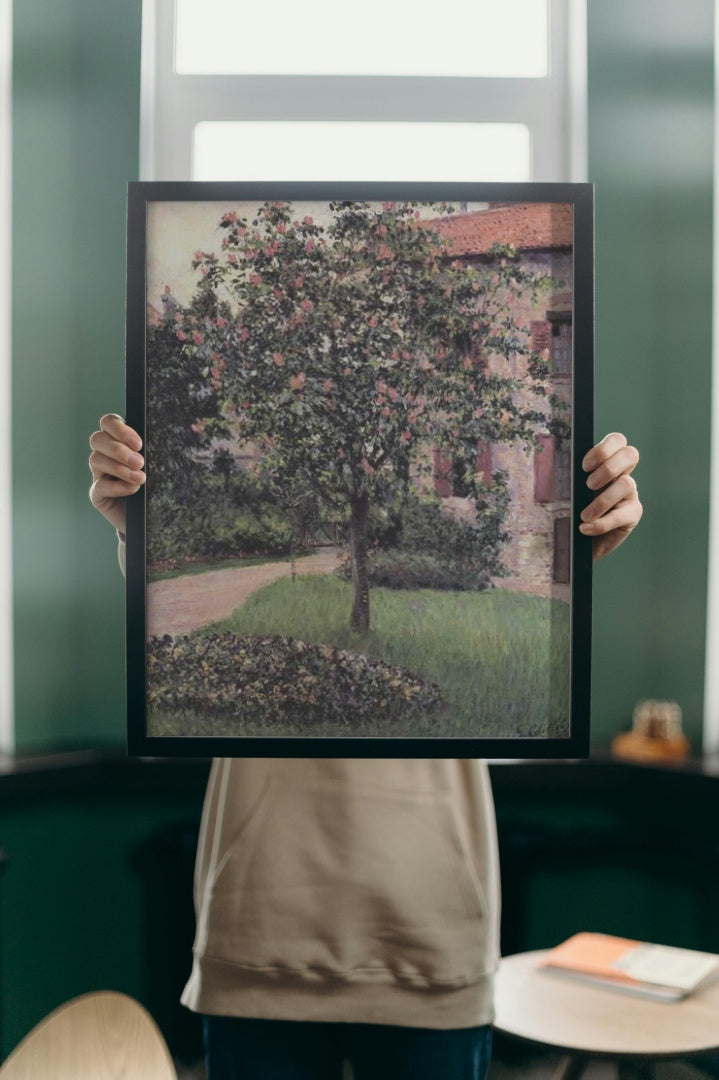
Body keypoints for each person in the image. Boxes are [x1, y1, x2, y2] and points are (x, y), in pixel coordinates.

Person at [89, 417, 642, 1080]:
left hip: (432, 931)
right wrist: (137, 523)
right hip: (262, 927)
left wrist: (582, 559)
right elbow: (161, 615)